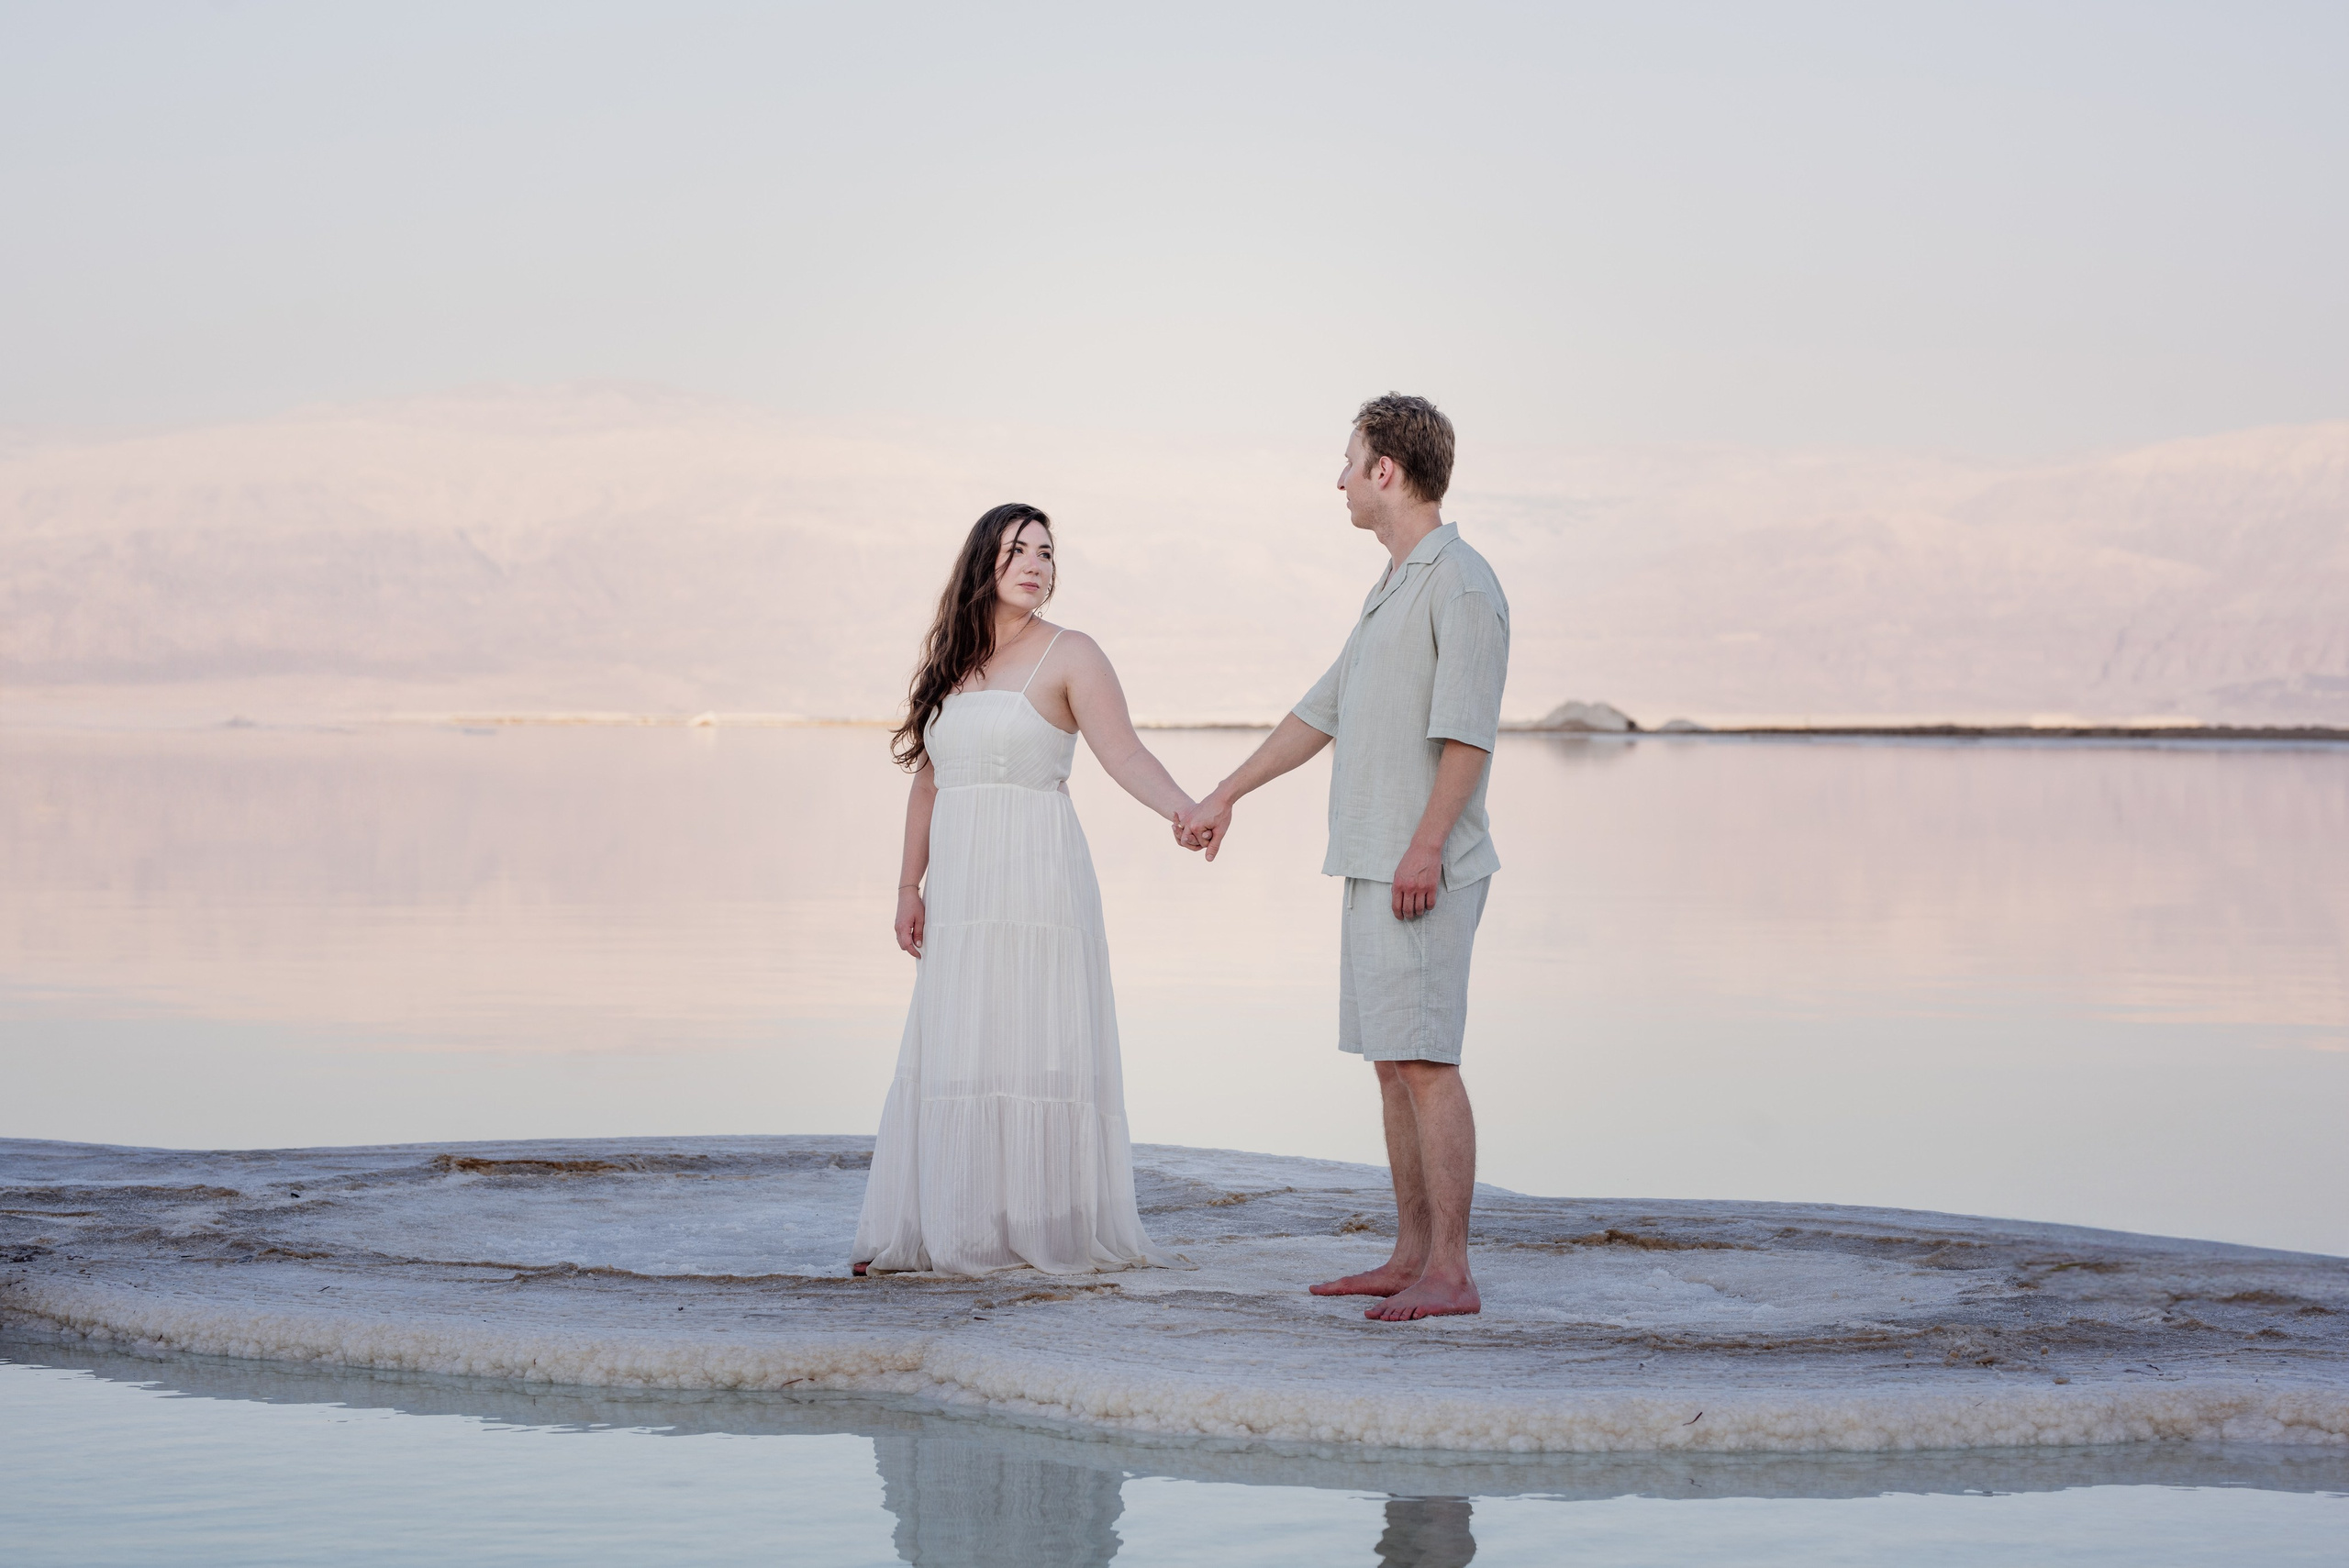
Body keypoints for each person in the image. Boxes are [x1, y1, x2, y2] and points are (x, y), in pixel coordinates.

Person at [1177, 395, 1508, 1321]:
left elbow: (1469, 739)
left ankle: (1452, 1268)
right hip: (1373, 861)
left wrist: (1425, 846)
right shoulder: (1391, 586)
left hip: (1424, 865)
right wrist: (1223, 794)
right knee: (1391, 1061)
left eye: (1348, 461)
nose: (1337, 480)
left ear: (1385, 472)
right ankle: (1411, 1252)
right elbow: (1317, 712)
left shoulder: (1462, 583)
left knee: (1427, 1060)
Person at [852, 503, 1190, 1276]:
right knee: (959, 1045)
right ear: (984, 564)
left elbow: (1125, 754)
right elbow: (929, 784)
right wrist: (909, 883)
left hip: (1038, 883)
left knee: (1035, 1046)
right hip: (964, 891)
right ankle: (950, 1227)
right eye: (1018, 551)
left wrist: (1184, 808)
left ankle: (1041, 1230)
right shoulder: (953, 663)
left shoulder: (1072, 653)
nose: (1036, 564)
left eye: (1046, 551)